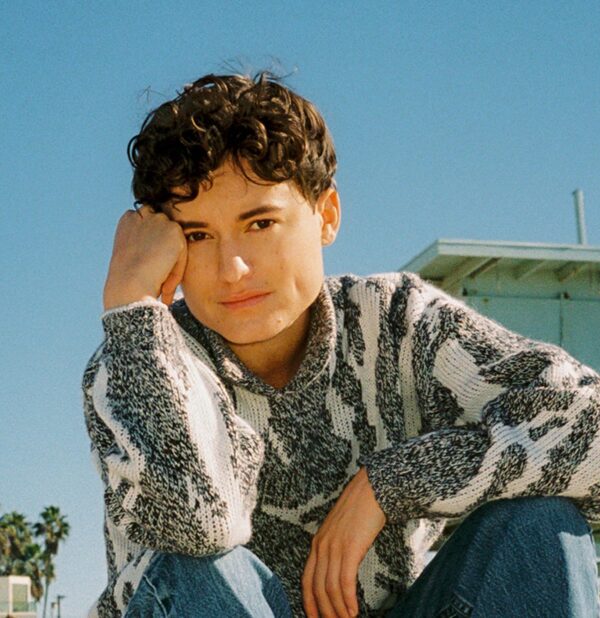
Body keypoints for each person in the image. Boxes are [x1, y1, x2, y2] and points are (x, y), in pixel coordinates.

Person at [83, 72, 600, 618]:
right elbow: (194, 524)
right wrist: (134, 308)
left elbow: (589, 419)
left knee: (536, 523)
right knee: (194, 562)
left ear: (326, 214)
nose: (231, 269)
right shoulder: (139, 356)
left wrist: (386, 483)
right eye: (197, 235)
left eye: (259, 223)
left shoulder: (396, 322)